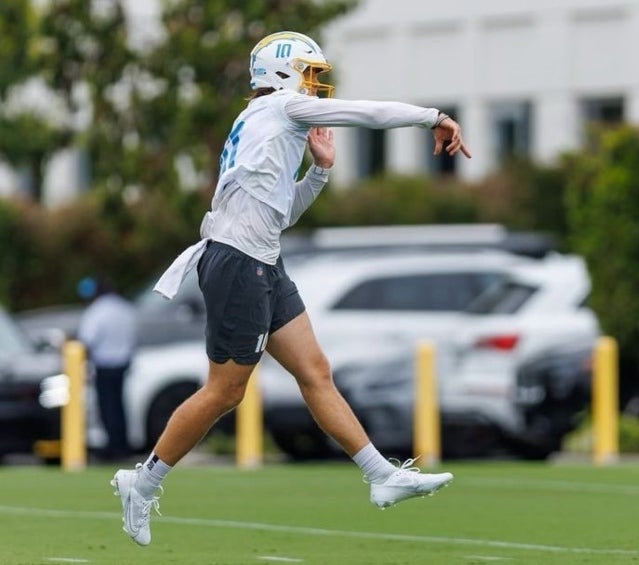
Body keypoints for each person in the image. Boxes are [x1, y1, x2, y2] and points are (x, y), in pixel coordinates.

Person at [110, 31, 470, 547]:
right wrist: (432, 116)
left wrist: (320, 173)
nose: (316, 88)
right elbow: (366, 113)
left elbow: (280, 217)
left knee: (314, 370)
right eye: (310, 74)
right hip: (237, 262)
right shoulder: (278, 109)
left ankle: (380, 475)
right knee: (225, 391)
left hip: (262, 259)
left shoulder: (263, 121)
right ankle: (141, 482)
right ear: (283, 73)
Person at [78, 275, 138, 461]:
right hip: (122, 364)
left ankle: (112, 448)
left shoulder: (97, 312)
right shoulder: (126, 309)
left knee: (107, 408)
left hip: (104, 366)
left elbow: (87, 341)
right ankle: (122, 446)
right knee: (120, 406)